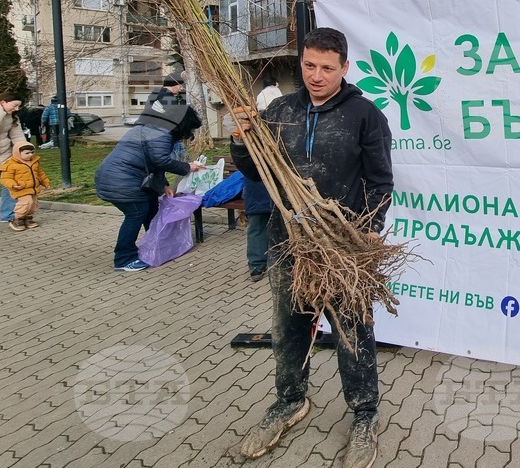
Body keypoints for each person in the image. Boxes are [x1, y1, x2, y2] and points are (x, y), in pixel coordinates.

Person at [231, 27, 393, 467]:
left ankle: (364, 413)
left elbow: (380, 180)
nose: (316, 75)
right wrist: (241, 138)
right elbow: (254, 169)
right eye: (309, 65)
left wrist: (371, 228)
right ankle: (290, 401)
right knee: (289, 327)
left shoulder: (365, 115)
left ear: (344, 67)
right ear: (300, 62)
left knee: (352, 329)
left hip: (342, 242)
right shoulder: (281, 109)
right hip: (289, 240)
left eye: (326, 67)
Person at [95, 98, 205, 272]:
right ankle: (124, 258)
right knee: (136, 213)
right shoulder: (160, 131)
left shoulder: (155, 128)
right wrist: (187, 167)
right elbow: (160, 159)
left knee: (152, 208)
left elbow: (153, 163)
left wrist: (163, 186)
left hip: (119, 177)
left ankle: (155, 246)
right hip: (121, 180)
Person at [0, 141, 49, 231]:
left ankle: (28, 218)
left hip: (33, 188)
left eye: (32, 152)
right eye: (27, 153)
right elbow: (5, 178)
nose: (30, 155)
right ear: (18, 153)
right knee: (26, 203)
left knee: (33, 204)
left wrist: (45, 182)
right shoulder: (10, 164)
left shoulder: (34, 162)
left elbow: (40, 174)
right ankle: (17, 219)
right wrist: (13, 185)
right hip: (20, 188)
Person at [0, 95, 27, 224]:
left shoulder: (12, 117)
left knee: (9, 184)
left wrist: (24, 150)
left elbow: (17, 136)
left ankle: (8, 214)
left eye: (18, 106)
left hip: (4, 155)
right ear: (2, 102)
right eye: (14, 105)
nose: (16, 109)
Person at [243, 175, 271, 282]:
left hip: (255, 193)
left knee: (256, 229)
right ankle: (257, 266)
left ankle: (256, 266)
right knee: (257, 227)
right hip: (257, 191)